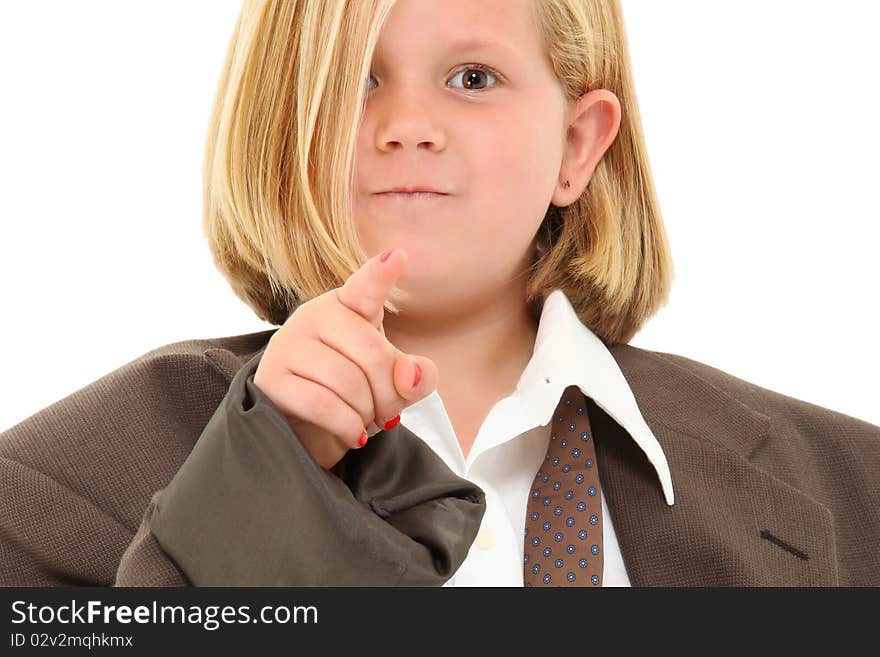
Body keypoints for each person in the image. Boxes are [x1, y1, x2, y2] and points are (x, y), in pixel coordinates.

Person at [1, 0, 878, 587]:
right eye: (356, 79)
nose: (409, 127)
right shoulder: (47, 491)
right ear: (281, 127)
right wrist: (262, 482)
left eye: (472, 79)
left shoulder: (854, 488)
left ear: (577, 146)